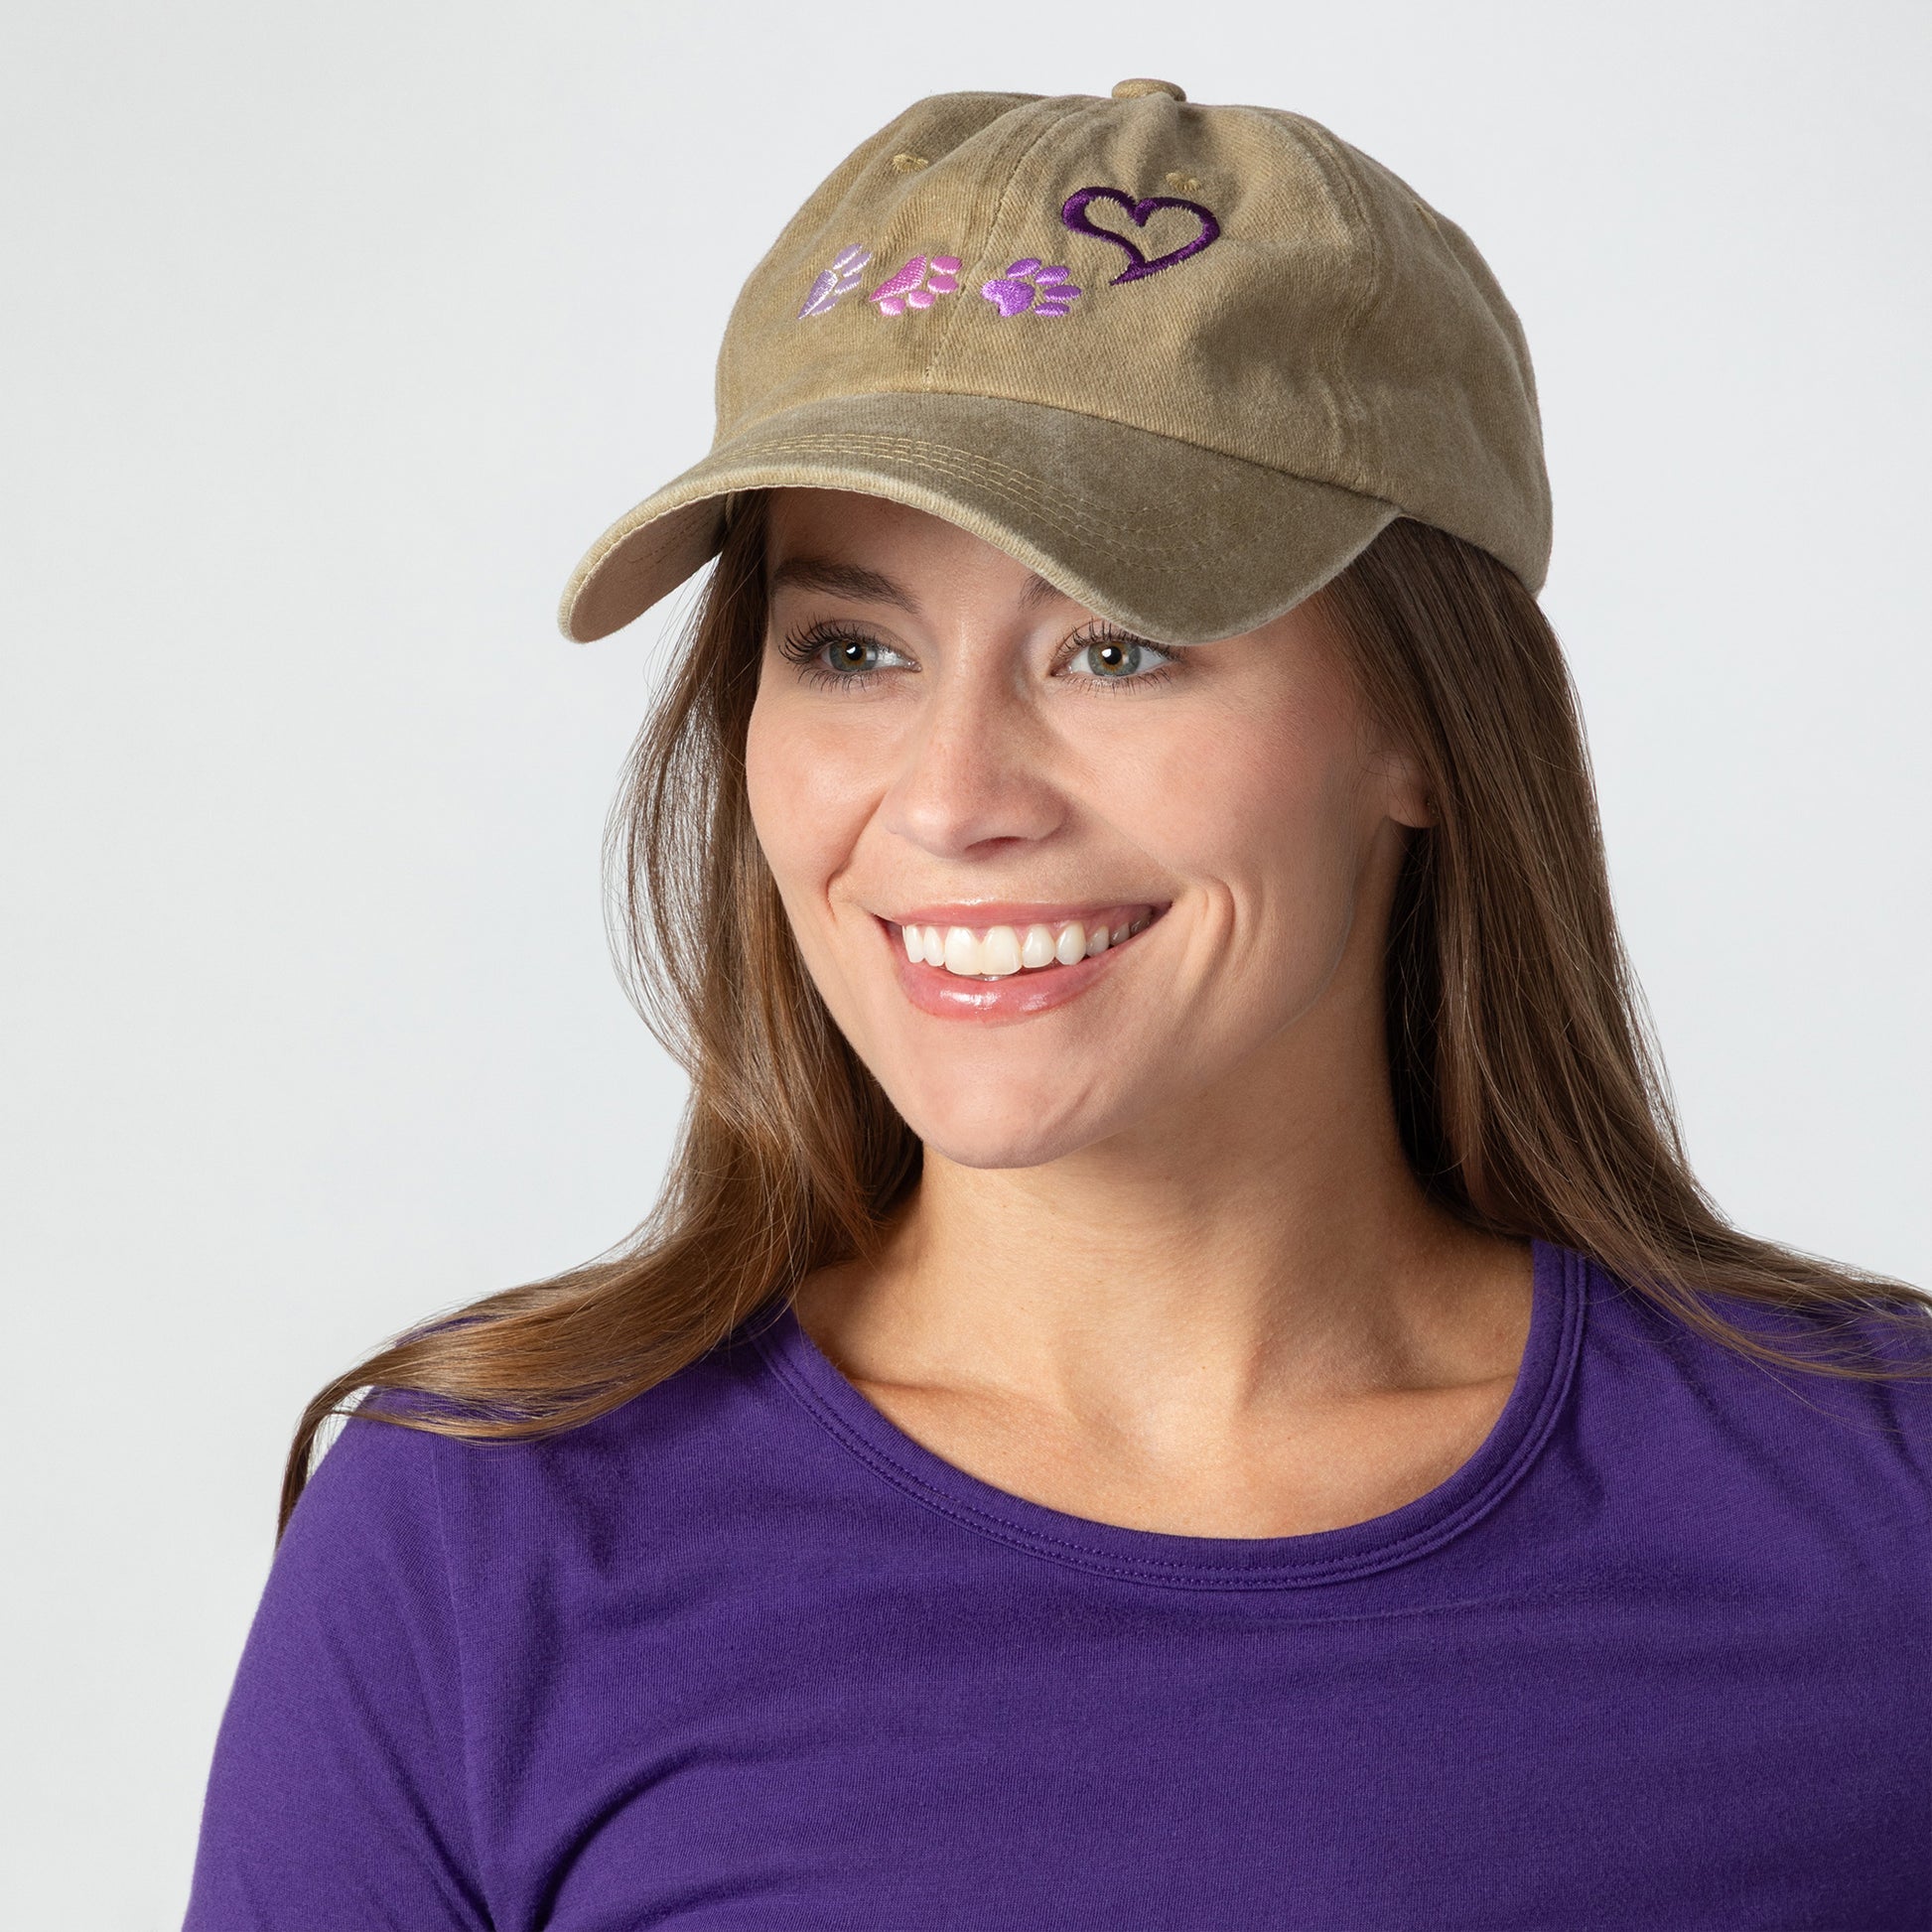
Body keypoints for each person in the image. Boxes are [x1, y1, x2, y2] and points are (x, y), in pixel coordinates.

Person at [185, 79, 1932, 1931]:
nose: (950, 798)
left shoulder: (1882, 1512)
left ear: (1425, 723)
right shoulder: (485, 1536)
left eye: (1115, 645)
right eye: (850, 647)